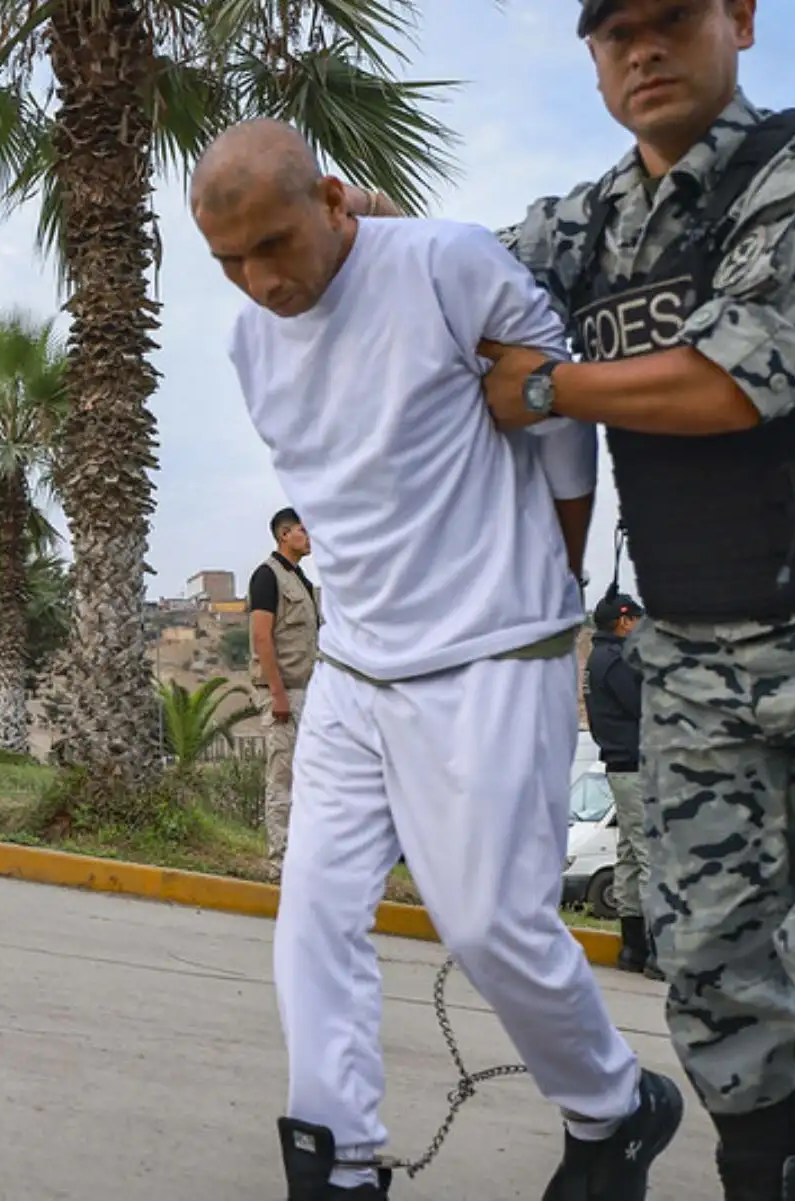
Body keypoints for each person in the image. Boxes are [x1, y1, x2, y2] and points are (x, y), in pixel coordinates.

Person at [340, 2, 795, 1195]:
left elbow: (745, 374)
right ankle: (771, 1170)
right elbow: (463, 265)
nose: (644, 50)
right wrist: (366, 232)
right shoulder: (594, 221)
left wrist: (545, 390)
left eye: (673, 17)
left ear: (739, 17)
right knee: (714, 963)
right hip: (695, 640)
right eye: (613, 30)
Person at [191, 118, 681, 1201]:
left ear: (331, 198)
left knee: (490, 920)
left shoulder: (446, 263)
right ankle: (338, 1157)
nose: (259, 280)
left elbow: (555, 408)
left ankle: (615, 1106)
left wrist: (551, 568)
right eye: (229, 262)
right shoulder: (245, 340)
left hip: (492, 646)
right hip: (358, 666)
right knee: (314, 916)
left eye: (273, 244)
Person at [582, 590, 661, 980]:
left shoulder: (599, 659)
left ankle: (633, 947)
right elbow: (644, 707)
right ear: (624, 621)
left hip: (620, 763)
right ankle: (657, 950)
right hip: (634, 763)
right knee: (651, 856)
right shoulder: (616, 661)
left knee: (630, 855)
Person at [247, 507, 321, 882]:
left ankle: (304, 858)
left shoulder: (302, 581)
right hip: (282, 692)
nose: (310, 538)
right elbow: (262, 637)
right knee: (281, 777)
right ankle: (280, 863)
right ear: (284, 535)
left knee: (309, 779)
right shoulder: (267, 576)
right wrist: (277, 694)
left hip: (307, 691)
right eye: (303, 531)